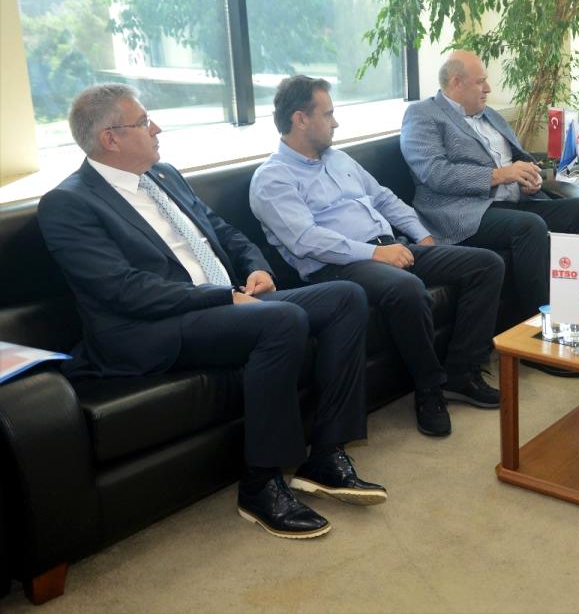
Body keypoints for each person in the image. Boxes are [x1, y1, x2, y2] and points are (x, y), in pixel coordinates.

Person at [38, 84, 386, 540]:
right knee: (282, 320)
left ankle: (324, 454)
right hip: (151, 327)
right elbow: (122, 289)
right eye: (144, 122)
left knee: (345, 297)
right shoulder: (68, 203)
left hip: (224, 303)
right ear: (110, 138)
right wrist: (220, 297)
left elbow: (223, 231)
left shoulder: (163, 175)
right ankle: (261, 485)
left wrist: (256, 268)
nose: (156, 127)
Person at [251, 76, 505, 438]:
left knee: (486, 264)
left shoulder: (339, 159)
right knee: (407, 288)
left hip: (390, 247)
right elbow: (307, 240)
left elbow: (383, 198)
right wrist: (375, 253)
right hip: (338, 267)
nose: (336, 123)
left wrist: (423, 236)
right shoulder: (272, 179)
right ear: (300, 119)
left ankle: (462, 371)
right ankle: (429, 389)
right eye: (328, 114)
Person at [399, 50, 579, 321]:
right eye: (480, 81)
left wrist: (529, 177)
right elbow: (435, 173)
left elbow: (516, 159)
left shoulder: (489, 115)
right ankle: (540, 327)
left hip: (514, 202)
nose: (488, 88)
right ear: (456, 82)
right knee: (530, 227)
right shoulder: (422, 114)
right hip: (463, 212)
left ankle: (572, 309)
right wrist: (500, 175)